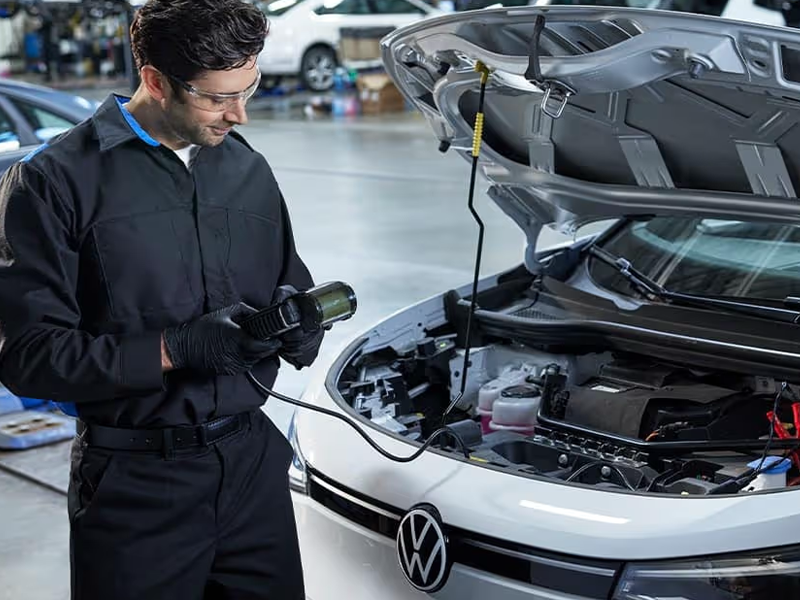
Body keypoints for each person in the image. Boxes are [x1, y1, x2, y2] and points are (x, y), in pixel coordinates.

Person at [0, 1, 322, 598]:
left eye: (248, 88)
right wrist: (177, 350)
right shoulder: (52, 183)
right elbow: (29, 356)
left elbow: (288, 280)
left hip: (252, 467)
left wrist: (300, 322)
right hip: (136, 487)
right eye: (217, 97)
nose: (241, 114)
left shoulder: (247, 168)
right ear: (153, 80)